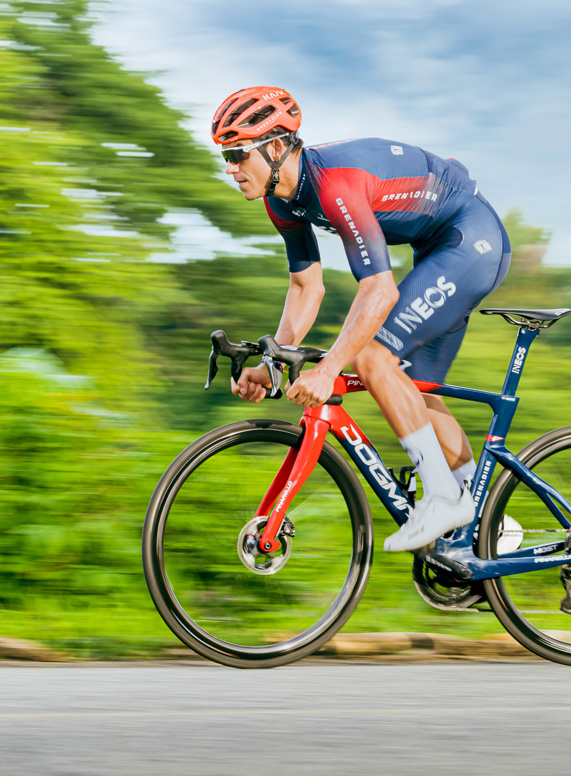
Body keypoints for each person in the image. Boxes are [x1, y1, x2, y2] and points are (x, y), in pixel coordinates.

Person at [213, 85, 511, 552]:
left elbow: (379, 289)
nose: (230, 168)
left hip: (469, 240)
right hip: (435, 249)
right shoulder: (281, 199)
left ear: (274, 148)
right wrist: (271, 365)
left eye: (236, 154)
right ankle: (489, 523)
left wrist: (329, 367)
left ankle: (443, 499)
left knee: (371, 359)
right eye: (224, 156)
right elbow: (306, 286)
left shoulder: (335, 186)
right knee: (415, 391)